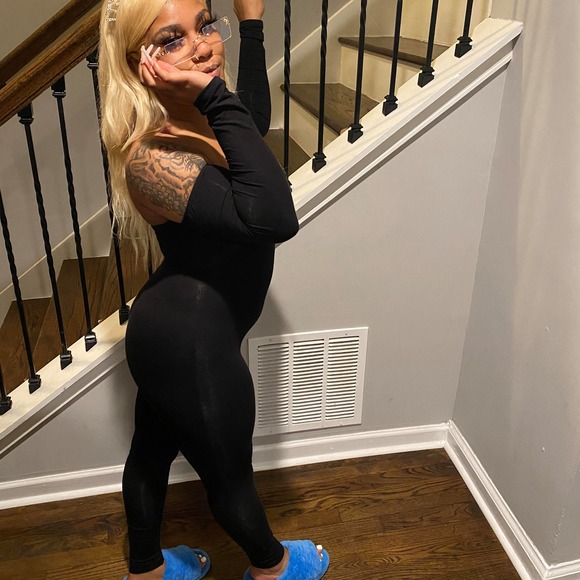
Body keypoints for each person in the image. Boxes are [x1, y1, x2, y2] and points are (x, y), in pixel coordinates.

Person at [98, 0, 330, 579]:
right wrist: (212, 95)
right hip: (188, 342)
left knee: (150, 452)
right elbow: (274, 217)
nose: (202, 45)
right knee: (229, 479)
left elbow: (253, 118)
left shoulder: (208, 117)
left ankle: (147, 571)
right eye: (172, 39)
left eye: (204, 24)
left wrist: (249, 26)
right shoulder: (151, 157)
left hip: (175, 330)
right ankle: (274, 568)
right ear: (139, 63)